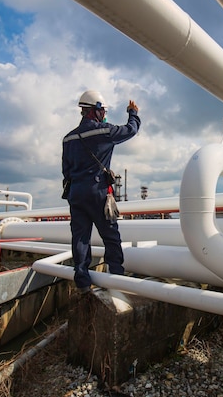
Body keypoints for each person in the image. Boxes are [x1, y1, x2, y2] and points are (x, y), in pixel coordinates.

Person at [62, 90, 141, 294]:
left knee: (80, 238)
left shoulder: (68, 139)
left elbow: (66, 170)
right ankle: (116, 276)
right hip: (98, 192)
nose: (105, 114)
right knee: (110, 235)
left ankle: (82, 283)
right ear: (96, 110)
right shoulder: (103, 132)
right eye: (103, 110)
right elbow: (130, 130)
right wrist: (133, 112)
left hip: (76, 193)